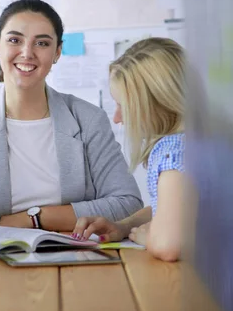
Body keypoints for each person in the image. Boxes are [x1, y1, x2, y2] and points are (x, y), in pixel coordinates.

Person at [0, 0, 143, 236]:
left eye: (42, 43)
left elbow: (127, 203)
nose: (27, 53)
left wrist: (31, 219)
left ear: (56, 53)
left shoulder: (88, 119)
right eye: (14, 40)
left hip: (73, 253)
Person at [71, 38, 186, 262]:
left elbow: (169, 246)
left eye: (124, 106)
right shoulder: (198, 141)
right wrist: (124, 226)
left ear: (156, 103)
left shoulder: (173, 152)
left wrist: (148, 237)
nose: (117, 117)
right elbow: (167, 206)